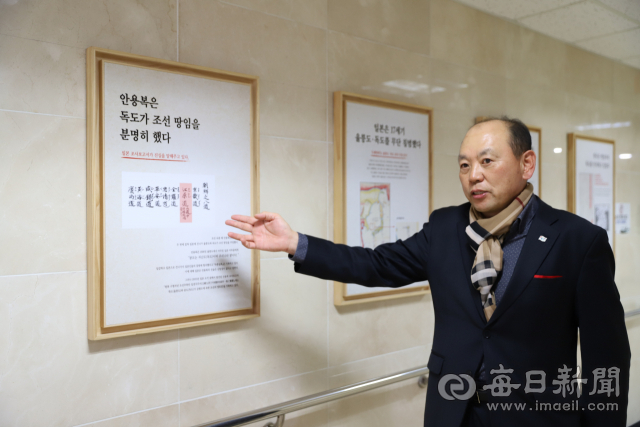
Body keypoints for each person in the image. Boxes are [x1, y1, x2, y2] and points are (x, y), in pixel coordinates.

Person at [225, 117, 630, 427]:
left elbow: (607, 356)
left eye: (487, 161)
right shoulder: (445, 228)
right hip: (452, 413)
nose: (474, 175)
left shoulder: (577, 240)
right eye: (465, 165)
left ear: (527, 164)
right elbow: (377, 264)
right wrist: (297, 243)